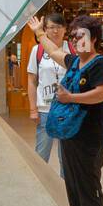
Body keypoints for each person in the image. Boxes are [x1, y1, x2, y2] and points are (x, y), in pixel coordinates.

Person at [27, 12, 103, 206]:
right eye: (74, 36)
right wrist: (40, 33)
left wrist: (70, 98)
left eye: (81, 35)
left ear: (93, 38)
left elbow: (101, 94)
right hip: (70, 134)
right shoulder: (75, 62)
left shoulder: (99, 64)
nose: (76, 40)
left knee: (88, 186)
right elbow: (54, 52)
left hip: (89, 137)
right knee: (73, 186)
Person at [26, 11, 70, 171]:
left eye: (59, 27)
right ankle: (39, 188)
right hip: (45, 110)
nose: (55, 31)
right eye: (51, 27)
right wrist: (33, 109)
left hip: (67, 110)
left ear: (65, 29)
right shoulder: (37, 51)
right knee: (41, 154)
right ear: (44, 30)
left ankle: (66, 189)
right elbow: (31, 81)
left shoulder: (71, 50)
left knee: (66, 157)